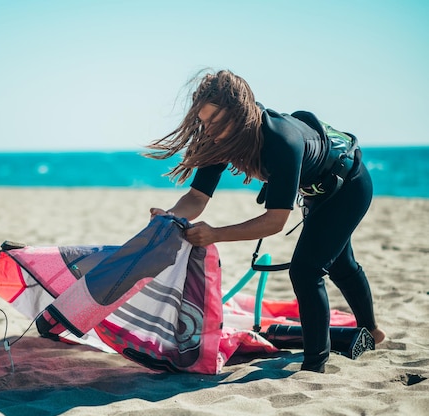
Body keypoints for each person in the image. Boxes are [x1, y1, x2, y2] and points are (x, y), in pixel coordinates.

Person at [146, 69, 386, 373]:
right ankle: (372, 331)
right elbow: (196, 198)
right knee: (339, 262)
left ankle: (315, 366)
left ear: (239, 113)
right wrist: (170, 217)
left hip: (349, 184)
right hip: (315, 191)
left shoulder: (281, 141)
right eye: (203, 122)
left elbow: (275, 221)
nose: (208, 131)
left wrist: (215, 234)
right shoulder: (219, 141)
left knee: (306, 270)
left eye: (215, 122)